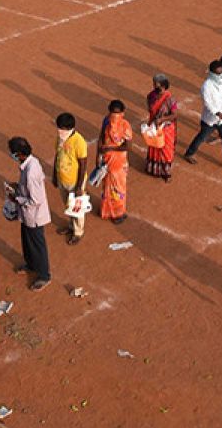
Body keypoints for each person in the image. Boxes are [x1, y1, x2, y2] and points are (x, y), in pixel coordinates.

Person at [8, 137, 51, 291]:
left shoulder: (31, 172)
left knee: (37, 244)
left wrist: (17, 198)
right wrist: (18, 187)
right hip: (27, 214)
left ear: (19, 154)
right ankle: (31, 264)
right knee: (27, 241)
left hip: (34, 214)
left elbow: (36, 200)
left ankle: (44, 275)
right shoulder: (29, 164)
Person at [183, 61, 222, 172]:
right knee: (201, 137)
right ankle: (189, 153)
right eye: (217, 73)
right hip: (210, 120)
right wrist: (219, 114)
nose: (219, 75)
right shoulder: (206, 86)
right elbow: (208, 103)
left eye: (220, 72)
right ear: (211, 73)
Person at [52, 113, 89, 245]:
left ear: (70, 128)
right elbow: (57, 156)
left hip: (75, 181)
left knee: (77, 208)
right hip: (63, 179)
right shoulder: (60, 138)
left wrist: (79, 186)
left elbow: (83, 164)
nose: (59, 131)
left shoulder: (79, 141)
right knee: (68, 205)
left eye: (62, 128)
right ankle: (71, 226)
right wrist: (54, 176)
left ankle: (78, 232)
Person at [96, 99, 133, 224]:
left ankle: (109, 211)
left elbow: (127, 146)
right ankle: (115, 213)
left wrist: (106, 150)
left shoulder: (112, 122)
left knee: (112, 187)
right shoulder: (122, 124)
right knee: (115, 187)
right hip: (114, 161)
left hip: (113, 161)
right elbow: (127, 146)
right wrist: (105, 151)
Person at [145, 74, 178, 181]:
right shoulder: (151, 96)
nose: (154, 86)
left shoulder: (170, 99)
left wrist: (162, 120)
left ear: (163, 86)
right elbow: (150, 109)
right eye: (154, 83)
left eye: (156, 84)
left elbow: (174, 115)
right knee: (154, 147)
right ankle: (155, 169)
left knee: (165, 150)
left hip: (166, 129)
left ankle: (166, 172)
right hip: (155, 126)